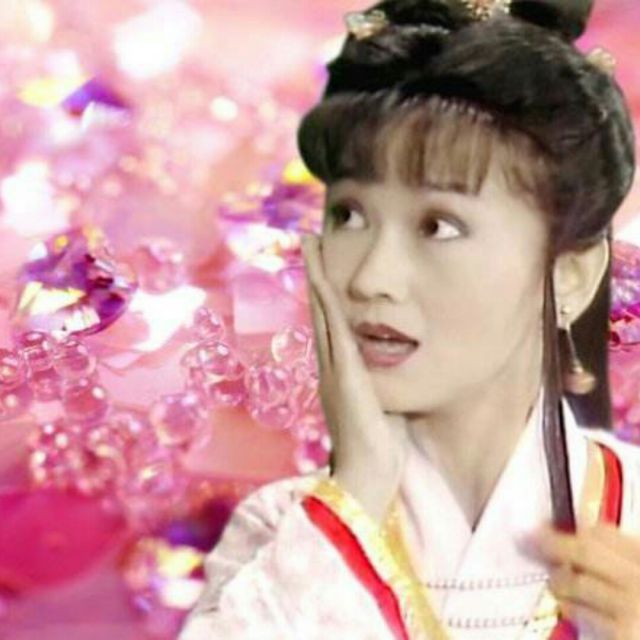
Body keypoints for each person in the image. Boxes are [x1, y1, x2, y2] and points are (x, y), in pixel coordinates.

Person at [177, 0, 640, 638]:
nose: (370, 277)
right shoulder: (283, 538)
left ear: (569, 274)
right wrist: (359, 486)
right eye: (349, 216)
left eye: (438, 225)